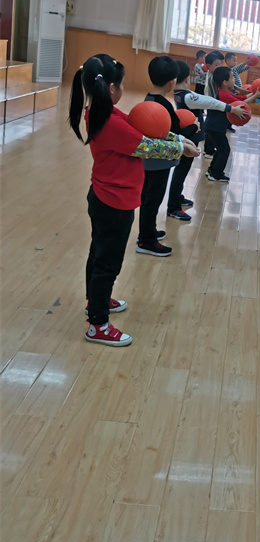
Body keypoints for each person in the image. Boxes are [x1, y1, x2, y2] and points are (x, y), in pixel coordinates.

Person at [68, 54, 197, 346]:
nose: (124, 88)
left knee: (98, 253)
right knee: (107, 264)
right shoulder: (109, 122)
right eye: (123, 84)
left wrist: (178, 140)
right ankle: (97, 324)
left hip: (106, 197)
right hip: (114, 202)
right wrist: (182, 148)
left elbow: (142, 130)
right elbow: (146, 146)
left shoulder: (102, 113)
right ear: (112, 88)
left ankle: (95, 301)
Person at [167, 61, 249, 219]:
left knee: (182, 170)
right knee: (181, 170)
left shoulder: (179, 93)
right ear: (187, 78)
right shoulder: (188, 96)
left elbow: (206, 99)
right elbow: (211, 102)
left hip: (189, 134)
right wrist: (231, 108)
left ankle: (177, 197)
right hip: (189, 136)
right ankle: (173, 207)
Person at [136, 56, 200, 256]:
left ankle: (148, 231)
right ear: (173, 81)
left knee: (148, 198)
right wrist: (194, 127)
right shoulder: (163, 104)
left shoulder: (149, 98)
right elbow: (172, 132)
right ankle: (146, 240)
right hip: (159, 162)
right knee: (152, 200)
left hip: (149, 160)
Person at [204, 66, 260, 183]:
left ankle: (212, 170)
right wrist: (255, 96)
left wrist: (253, 94)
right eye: (231, 78)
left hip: (214, 126)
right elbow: (241, 103)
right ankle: (216, 174)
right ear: (225, 82)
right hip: (214, 127)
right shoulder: (224, 95)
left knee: (221, 149)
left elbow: (240, 98)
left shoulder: (225, 92)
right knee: (224, 150)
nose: (233, 80)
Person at [203, 51, 225, 158]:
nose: (219, 67)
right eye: (216, 65)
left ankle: (208, 149)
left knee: (210, 127)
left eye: (220, 64)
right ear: (208, 66)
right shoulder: (213, 78)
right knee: (212, 128)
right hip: (213, 105)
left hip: (211, 104)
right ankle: (209, 151)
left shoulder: (211, 74)